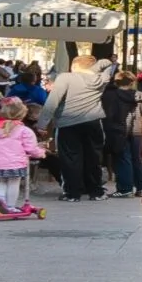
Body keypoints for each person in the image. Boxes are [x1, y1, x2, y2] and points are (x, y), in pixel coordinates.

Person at [37, 54, 118, 202]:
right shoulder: (101, 79)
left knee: (70, 158)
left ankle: (72, 193)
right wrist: (99, 65)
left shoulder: (65, 77)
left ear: (74, 66)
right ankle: (96, 191)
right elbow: (108, 64)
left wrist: (42, 124)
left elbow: (52, 101)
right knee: (93, 157)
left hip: (67, 123)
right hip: (93, 121)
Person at [0, 99, 45, 218]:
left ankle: (1, 199)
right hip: (15, 162)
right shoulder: (24, 130)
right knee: (14, 182)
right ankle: (11, 206)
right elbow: (31, 148)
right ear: (22, 115)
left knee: (2, 182)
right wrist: (41, 153)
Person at [103, 67, 142, 197]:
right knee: (137, 159)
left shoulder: (111, 95)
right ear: (132, 82)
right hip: (137, 130)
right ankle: (141, 187)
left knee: (123, 159)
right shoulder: (140, 95)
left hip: (119, 130)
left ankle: (125, 188)